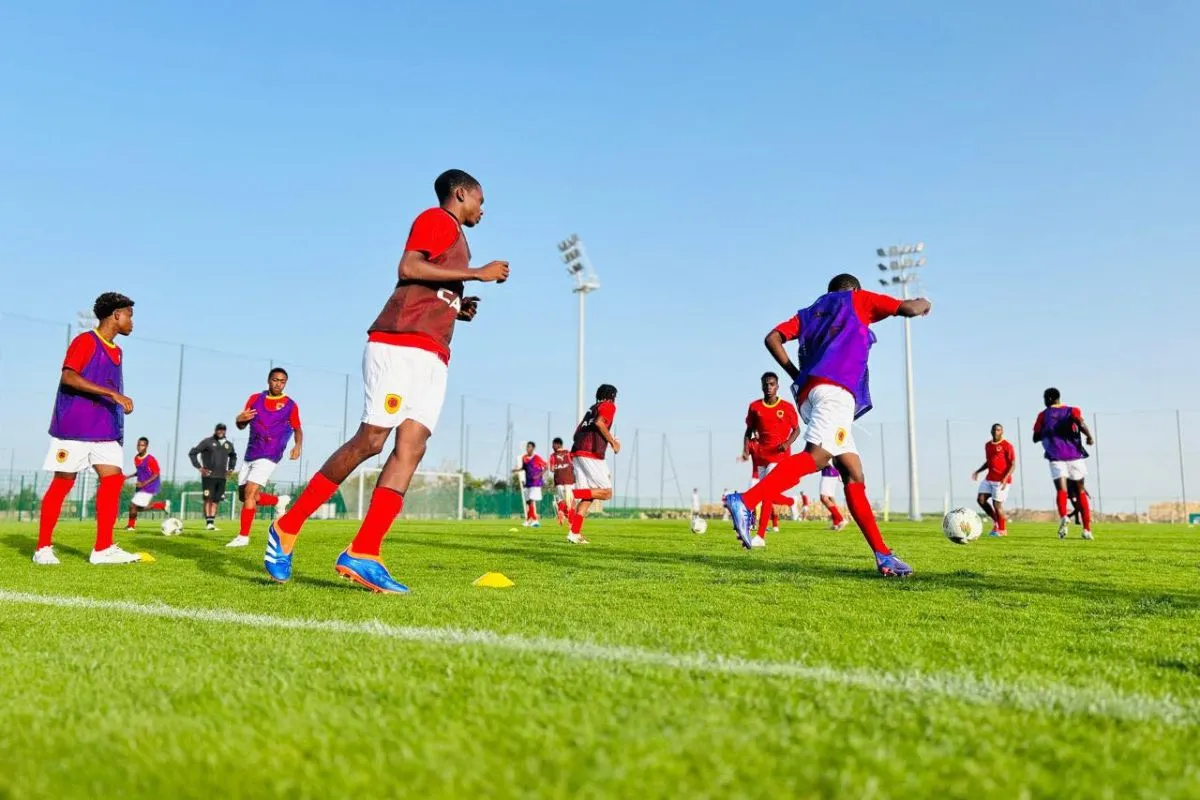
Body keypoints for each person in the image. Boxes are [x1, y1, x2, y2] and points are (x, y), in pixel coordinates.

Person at [263, 169, 509, 592]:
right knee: (372, 440)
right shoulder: (436, 219)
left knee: (412, 447)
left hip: (433, 354)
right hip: (399, 345)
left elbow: (429, 283)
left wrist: (456, 305)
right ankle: (287, 526)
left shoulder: (458, 239)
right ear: (460, 193)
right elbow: (409, 266)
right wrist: (476, 273)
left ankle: (365, 551)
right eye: (480, 200)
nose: (482, 209)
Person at [723, 273, 931, 577]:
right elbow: (909, 308)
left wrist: (796, 374)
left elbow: (772, 338)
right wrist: (925, 302)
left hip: (811, 394)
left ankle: (883, 555)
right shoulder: (858, 299)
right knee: (817, 457)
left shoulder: (809, 312)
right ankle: (745, 500)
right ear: (854, 289)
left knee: (853, 474)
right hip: (835, 392)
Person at [34, 292, 142, 565]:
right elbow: (69, 377)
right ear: (116, 315)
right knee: (63, 482)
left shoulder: (117, 351)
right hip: (76, 427)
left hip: (105, 429)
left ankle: (103, 549)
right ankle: (43, 548)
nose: (132, 321)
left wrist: (116, 408)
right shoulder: (85, 341)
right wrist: (112, 394)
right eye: (129, 315)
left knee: (113, 480)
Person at [226, 368, 301, 547]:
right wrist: (239, 419)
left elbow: (298, 428)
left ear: (285, 383)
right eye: (275, 380)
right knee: (245, 496)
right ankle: (278, 501)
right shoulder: (255, 399)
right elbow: (242, 425)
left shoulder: (290, 405)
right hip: (252, 451)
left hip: (271, 452)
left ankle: (243, 537)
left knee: (250, 492)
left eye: (282, 381)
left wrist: (297, 445)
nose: (278, 384)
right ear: (268, 380)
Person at [740, 372, 800, 548]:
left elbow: (797, 430)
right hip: (762, 457)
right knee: (767, 495)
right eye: (766, 384)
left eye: (772, 384)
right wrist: (745, 450)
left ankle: (760, 536)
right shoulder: (755, 407)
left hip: (779, 456)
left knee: (766, 493)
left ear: (777, 386)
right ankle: (791, 502)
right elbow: (748, 431)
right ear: (762, 386)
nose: (768, 387)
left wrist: (787, 443)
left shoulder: (787, 407)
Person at [1033, 388, 1095, 539]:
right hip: (1075, 455)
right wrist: (1089, 436)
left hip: (1056, 456)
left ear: (1049, 399)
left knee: (1062, 490)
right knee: (1080, 492)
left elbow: (1035, 437)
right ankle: (1087, 530)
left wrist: (1047, 432)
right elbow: (1080, 422)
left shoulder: (1043, 415)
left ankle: (1063, 516)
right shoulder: (1072, 410)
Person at [567, 384, 620, 544]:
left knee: (589, 495)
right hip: (591, 454)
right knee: (606, 493)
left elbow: (575, 434)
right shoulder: (608, 406)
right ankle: (569, 495)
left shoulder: (592, 409)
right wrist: (613, 442)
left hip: (577, 452)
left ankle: (574, 533)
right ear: (612, 396)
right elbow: (599, 423)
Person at [189, 423, 237, 530]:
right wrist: (200, 468)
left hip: (222, 477)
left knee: (216, 501)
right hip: (209, 477)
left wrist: (231, 469)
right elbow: (193, 453)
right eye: (219, 429)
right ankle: (208, 523)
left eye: (223, 429)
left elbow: (233, 456)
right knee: (208, 499)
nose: (221, 431)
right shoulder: (207, 442)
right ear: (215, 430)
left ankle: (211, 523)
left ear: (225, 431)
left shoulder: (228, 444)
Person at [972, 423, 1016, 537]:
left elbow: (1013, 464)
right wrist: (978, 471)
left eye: (998, 430)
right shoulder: (988, 445)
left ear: (1002, 432)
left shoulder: (1007, 445)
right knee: (981, 500)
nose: (996, 432)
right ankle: (996, 522)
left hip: (1001, 480)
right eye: (994, 430)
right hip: (989, 478)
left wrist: (1005, 478)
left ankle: (1002, 529)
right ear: (991, 431)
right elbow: (989, 462)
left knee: (997, 505)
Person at [124, 436, 168, 531]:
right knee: (138, 507)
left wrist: (144, 483)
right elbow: (140, 472)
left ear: (147, 446)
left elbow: (156, 474)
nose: (139, 447)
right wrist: (128, 476)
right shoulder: (136, 458)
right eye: (138, 445)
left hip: (149, 486)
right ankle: (161, 505)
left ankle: (131, 527)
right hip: (141, 485)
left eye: (142, 445)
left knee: (133, 505)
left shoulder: (150, 459)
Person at [512, 441, 547, 527]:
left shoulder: (537, 457)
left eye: (529, 447)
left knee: (531, 500)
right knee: (528, 501)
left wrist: (538, 475)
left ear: (533, 448)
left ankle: (535, 520)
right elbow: (524, 467)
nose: (528, 448)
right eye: (527, 447)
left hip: (535, 482)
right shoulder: (524, 457)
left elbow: (546, 466)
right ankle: (529, 520)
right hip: (528, 482)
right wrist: (517, 470)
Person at [549, 438, 575, 525]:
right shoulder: (569, 453)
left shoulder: (553, 455)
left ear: (557, 445)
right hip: (570, 480)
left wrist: (559, 466)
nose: (552, 447)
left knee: (560, 499)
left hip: (559, 481)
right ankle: (571, 521)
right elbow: (574, 463)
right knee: (571, 501)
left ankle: (561, 511)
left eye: (553, 445)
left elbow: (552, 469)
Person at [818, 465, 847, 530]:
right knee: (830, 498)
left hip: (828, 473)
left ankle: (841, 519)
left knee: (823, 498)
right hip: (833, 473)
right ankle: (835, 524)